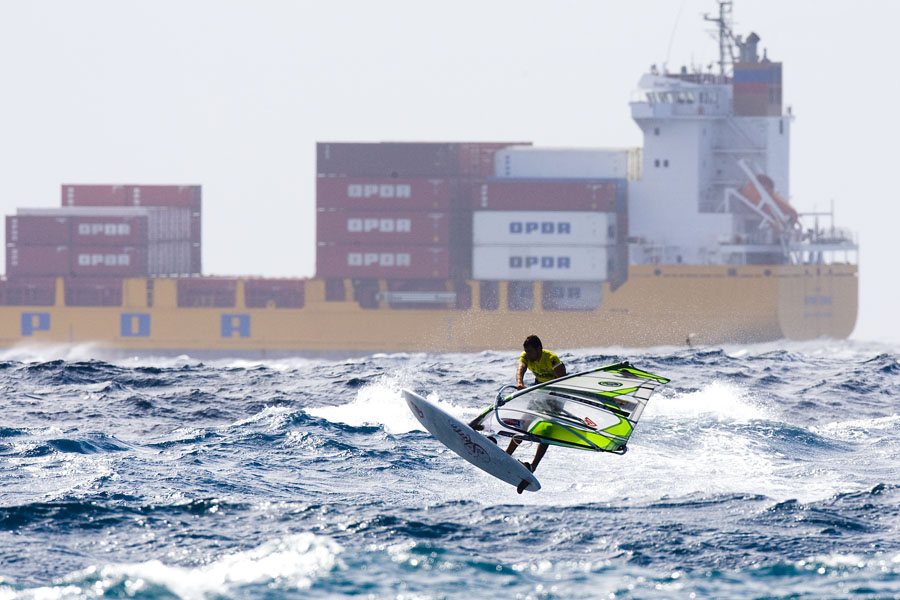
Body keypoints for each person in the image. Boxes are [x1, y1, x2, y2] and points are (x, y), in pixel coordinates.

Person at [469, 334, 567, 493]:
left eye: (530, 351)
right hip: (539, 393)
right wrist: (520, 383)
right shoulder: (526, 356)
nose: (527, 354)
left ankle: (533, 466)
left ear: (538, 349)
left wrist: (553, 401)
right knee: (523, 423)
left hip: (556, 397)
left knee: (546, 432)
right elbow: (520, 369)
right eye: (526, 351)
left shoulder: (552, 359)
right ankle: (507, 455)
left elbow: (565, 383)